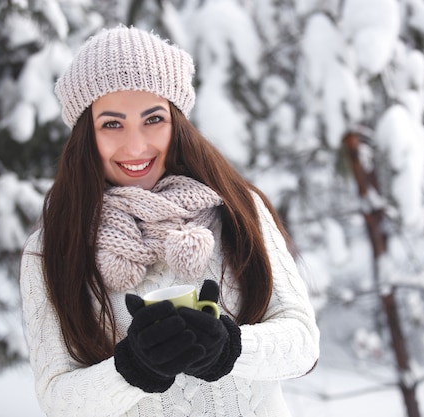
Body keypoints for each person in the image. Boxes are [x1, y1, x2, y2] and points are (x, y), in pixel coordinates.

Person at [19, 25, 320, 417]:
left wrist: (230, 348)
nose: (136, 146)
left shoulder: (235, 209)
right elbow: (57, 400)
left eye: (153, 119)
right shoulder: (51, 250)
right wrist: (132, 370)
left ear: (176, 121)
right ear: (85, 135)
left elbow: (303, 343)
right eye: (112, 124)